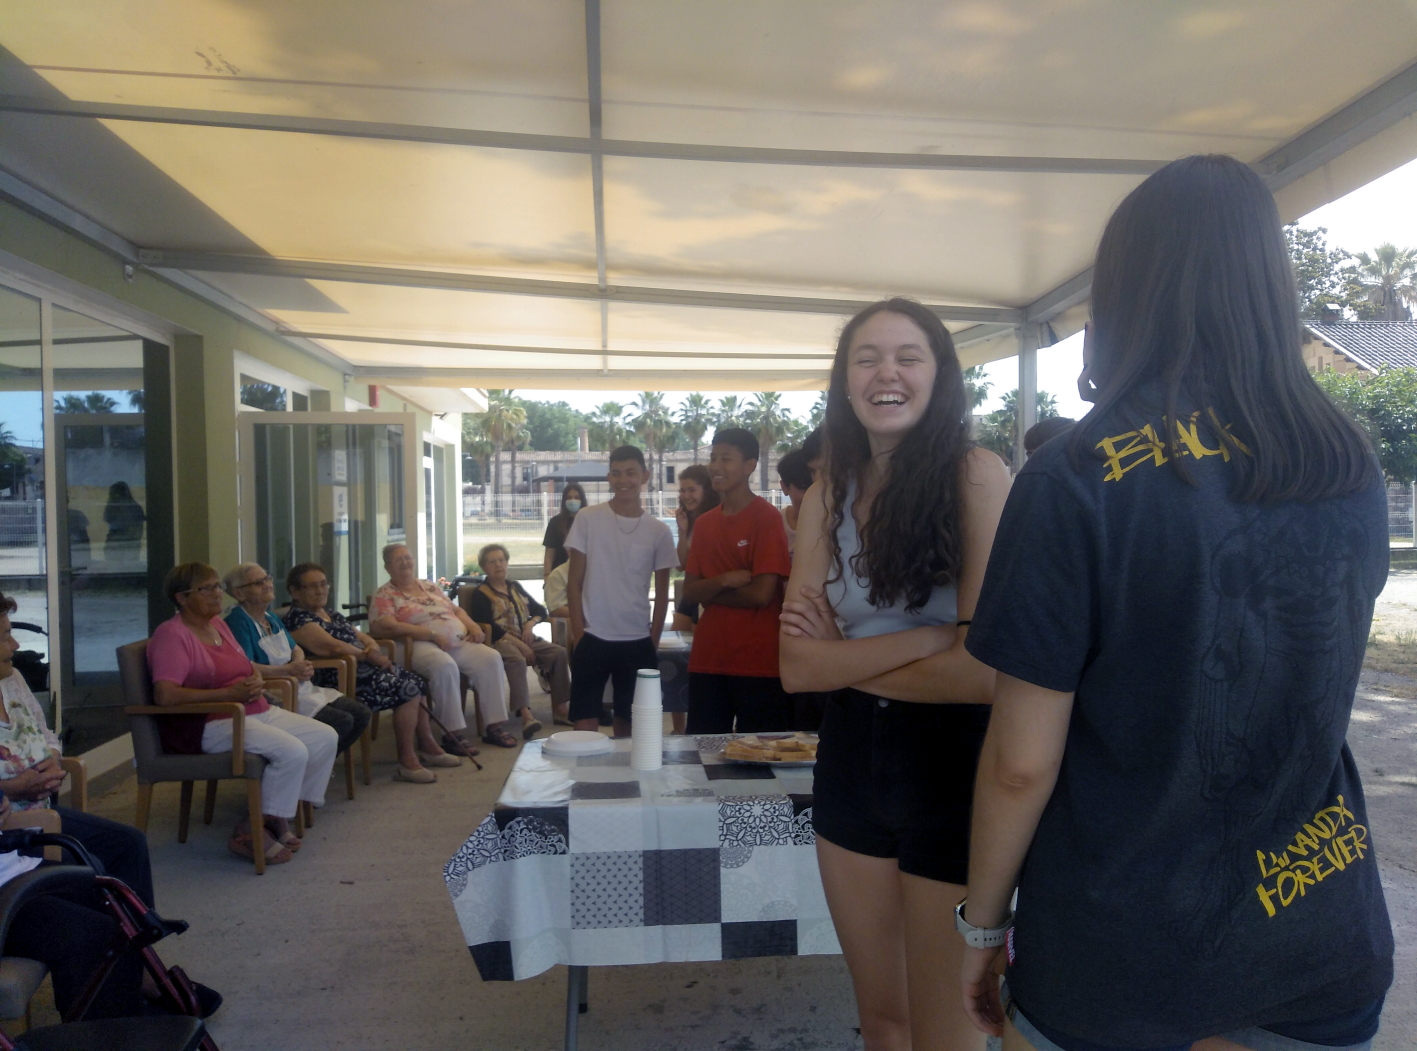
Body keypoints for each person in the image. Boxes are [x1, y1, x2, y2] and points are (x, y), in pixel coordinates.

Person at [959, 156, 1393, 1051]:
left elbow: (1018, 764)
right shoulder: (1347, 461)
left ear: (1126, 287)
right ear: (1267, 284)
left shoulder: (1073, 478)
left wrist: (980, 924)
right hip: (1317, 934)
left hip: (1119, 955)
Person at [778, 297, 1011, 1051]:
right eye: (867, 358)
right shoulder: (826, 495)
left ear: (939, 375)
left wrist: (844, 663)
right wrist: (933, 636)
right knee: (883, 1019)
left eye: (908, 356)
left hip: (954, 764)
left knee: (949, 1033)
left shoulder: (975, 475)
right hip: (850, 758)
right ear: (844, 381)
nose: (887, 373)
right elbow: (795, 666)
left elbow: (985, 674)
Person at [147, 562, 339, 865]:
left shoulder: (218, 625)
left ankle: (273, 815)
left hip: (251, 709)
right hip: (210, 722)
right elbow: (165, 695)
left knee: (325, 737)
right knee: (292, 751)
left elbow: (245, 665)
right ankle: (251, 829)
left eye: (217, 586)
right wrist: (227, 695)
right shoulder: (172, 635)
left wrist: (256, 680)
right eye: (206, 588)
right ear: (182, 598)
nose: (216, 593)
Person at [284, 563, 456, 784]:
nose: (320, 590)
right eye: (312, 586)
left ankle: (427, 746)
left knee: (415, 681)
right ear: (295, 591)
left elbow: (362, 636)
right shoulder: (297, 619)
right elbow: (331, 647)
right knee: (407, 689)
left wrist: (372, 649)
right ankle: (408, 761)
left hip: (362, 666)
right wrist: (367, 656)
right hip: (338, 675)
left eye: (323, 584)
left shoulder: (329, 613)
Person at [682, 428, 793, 734]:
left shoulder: (766, 518)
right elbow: (689, 590)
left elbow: (761, 594)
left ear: (749, 465)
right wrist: (725, 580)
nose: (716, 466)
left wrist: (710, 592)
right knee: (703, 750)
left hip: (757, 661)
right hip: (708, 658)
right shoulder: (704, 523)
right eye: (713, 458)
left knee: (760, 753)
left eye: (726, 459)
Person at [566, 445, 677, 738]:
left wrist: (653, 640)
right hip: (593, 636)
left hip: (637, 640)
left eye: (630, 473)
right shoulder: (588, 518)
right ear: (609, 477)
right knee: (584, 724)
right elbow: (574, 582)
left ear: (645, 476)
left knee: (630, 726)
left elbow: (663, 593)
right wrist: (579, 634)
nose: (623, 480)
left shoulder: (658, 531)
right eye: (616, 473)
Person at [369, 545, 517, 749]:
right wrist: (430, 634)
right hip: (415, 643)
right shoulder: (384, 594)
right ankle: (452, 734)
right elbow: (387, 626)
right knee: (444, 666)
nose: (405, 563)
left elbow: (457, 611)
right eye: (398, 560)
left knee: (490, 658)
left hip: (454, 641)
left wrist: (473, 626)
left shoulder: (429, 586)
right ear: (387, 567)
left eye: (407, 557)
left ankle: (494, 727)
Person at [223, 562, 372, 757]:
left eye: (267, 578)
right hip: (273, 690)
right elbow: (247, 666)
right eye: (258, 583)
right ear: (239, 593)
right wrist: (289, 670)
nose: (267, 584)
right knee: (341, 721)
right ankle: (311, 763)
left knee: (361, 714)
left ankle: (317, 762)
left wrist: (299, 663)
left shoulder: (270, 617)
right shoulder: (237, 621)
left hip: (297, 684)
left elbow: (296, 648)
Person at [467, 543, 571, 734]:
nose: (498, 565)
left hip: (526, 637)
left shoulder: (515, 586)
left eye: (501, 560)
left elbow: (540, 610)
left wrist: (530, 624)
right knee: (517, 659)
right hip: (500, 642)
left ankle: (560, 709)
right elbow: (487, 626)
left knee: (559, 653)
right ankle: (525, 714)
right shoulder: (480, 593)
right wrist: (520, 645)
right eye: (492, 562)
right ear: (484, 567)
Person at [670, 464, 720, 636]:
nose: (686, 496)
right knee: (677, 640)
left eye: (692, 490)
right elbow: (680, 565)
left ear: (706, 490)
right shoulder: (688, 519)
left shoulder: (717, 517)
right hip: (691, 591)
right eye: (682, 491)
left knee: (698, 642)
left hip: (709, 593)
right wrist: (683, 531)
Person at [542, 483, 587, 578]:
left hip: (584, 574)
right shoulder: (555, 522)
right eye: (569, 497)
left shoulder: (588, 521)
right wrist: (547, 576)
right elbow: (549, 554)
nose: (573, 500)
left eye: (577, 497)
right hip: (559, 575)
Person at [777, 448, 813, 555]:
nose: (812, 495)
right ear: (784, 487)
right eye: (803, 488)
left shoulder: (835, 525)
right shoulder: (775, 524)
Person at [103, 480, 145, 563]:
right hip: (122, 539)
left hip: (123, 540)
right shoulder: (134, 506)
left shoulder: (130, 506)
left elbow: (108, 518)